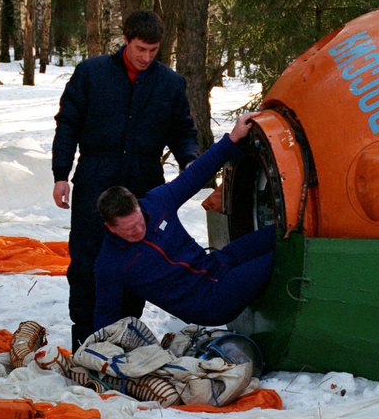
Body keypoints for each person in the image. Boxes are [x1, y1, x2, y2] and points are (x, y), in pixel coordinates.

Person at [51, 10, 199, 350]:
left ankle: (127, 336)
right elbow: (68, 124)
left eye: (153, 51)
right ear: (126, 40)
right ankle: (86, 341)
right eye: (140, 50)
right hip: (94, 179)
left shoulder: (170, 84)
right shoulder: (91, 74)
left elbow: (183, 130)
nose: (146, 58)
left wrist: (189, 159)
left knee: (138, 259)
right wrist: (61, 174)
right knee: (88, 260)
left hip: (143, 181)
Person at [93, 112, 275, 332]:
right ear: (110, 227)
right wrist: (100, 352)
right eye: (130, 229)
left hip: (217, 264)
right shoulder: (110, 263)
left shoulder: (158, 202)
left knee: (280, 234)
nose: (139, 230)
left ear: (139, 207)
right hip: (208, 302)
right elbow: (106, 313)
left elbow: (195, 175)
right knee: (280, 259)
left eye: (140, 222)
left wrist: (233, 137)